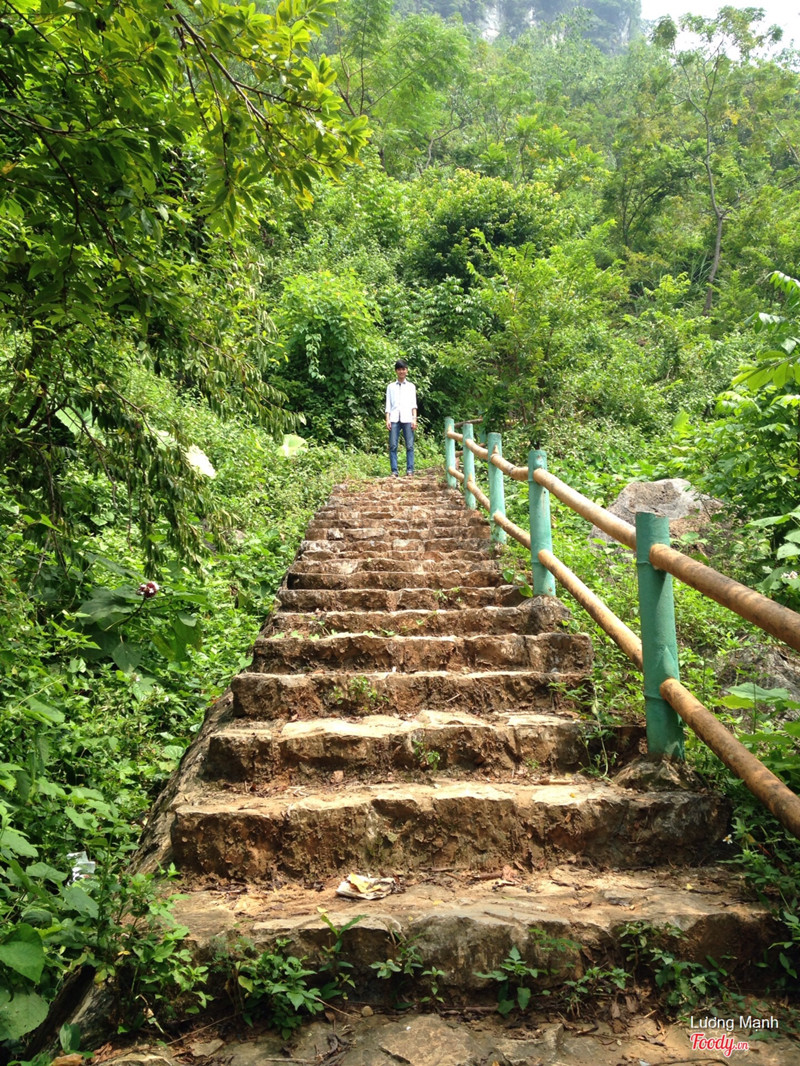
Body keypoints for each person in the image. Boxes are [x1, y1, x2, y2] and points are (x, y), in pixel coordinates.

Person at [385, 359, 417, 477]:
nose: (401, 371)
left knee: (409, 445)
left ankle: (410, 470)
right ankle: (394, 471)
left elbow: (414, 404)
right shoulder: (390, 387)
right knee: (393, 445)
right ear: (396, 371)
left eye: (403, 369)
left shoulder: (411, 386)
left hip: (408, 418)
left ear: (407, 371)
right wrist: (387, 419)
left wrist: (414, 419)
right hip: (394, 418)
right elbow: (388, 404)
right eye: (399, 369)